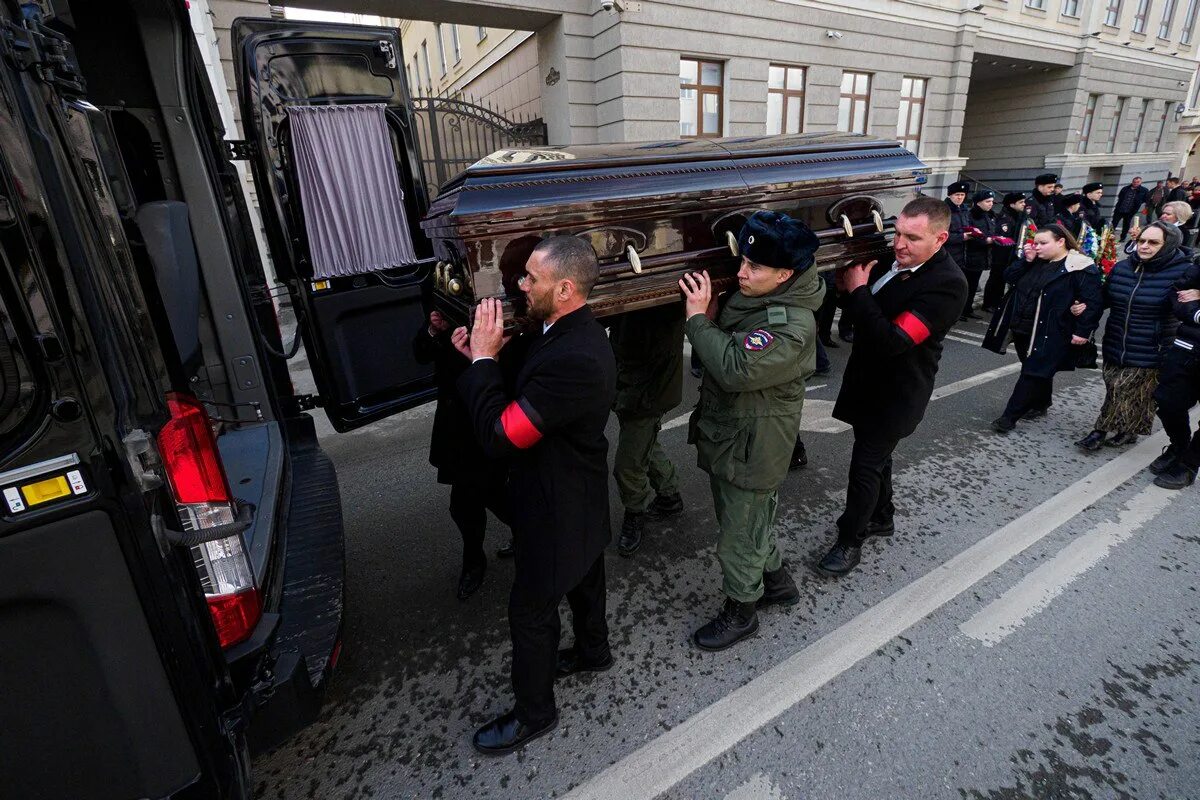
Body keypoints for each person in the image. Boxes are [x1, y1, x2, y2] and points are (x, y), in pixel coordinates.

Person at [455, 236, 617, 756]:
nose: (520, 285)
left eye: (531, 278)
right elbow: (529, 386)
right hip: (578, 489)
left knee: (531, 611)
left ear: (565, 288)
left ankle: (535, 711)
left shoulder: (576, 355)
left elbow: (504, 434)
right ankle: (594, 652)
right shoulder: (559, 328)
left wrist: (481, 364)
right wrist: (483, 358)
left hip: (555, 503)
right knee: (586, 572)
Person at [679, 210, 824, 650]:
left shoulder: (790, 325)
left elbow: (736, 368)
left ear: (784, 274)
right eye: (742, 261)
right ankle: (777, 583)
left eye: (753, 267)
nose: (741, 272)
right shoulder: (758, 296)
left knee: (739, 530)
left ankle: (741, 612)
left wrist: (698, 320)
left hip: (753, 445)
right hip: (737, 433)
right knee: (750, 519)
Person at [815, 197, 969, 577]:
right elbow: (860, 315)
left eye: (912, 237)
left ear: (940, 239)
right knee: (875, 457)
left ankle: (850, 540)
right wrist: (846, 289)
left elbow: (892, 341)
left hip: (897, 392)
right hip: (867, 381)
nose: (899, 243)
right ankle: (883, 515)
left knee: (865, 465)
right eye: (897, 231)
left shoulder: (948, 284)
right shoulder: (891, 258)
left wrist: (859, 291)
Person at [413, 310, 513, 599]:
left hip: (489, 419)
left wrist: (484, 357)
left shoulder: (498, 307)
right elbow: (420, 352)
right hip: (456, 423)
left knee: (495, 496)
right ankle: (475, 560)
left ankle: (526, 542)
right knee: (467, 504)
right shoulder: (446, 304)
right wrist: (433, 330)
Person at [1075, 222, 1193, 451]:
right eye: (1142, 241)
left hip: (1153, 346)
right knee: (1125, 390)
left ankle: (1098, 431)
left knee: (1123, 387)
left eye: (1153, 242)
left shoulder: (1183, 273)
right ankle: (1128, 430)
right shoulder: (1122, 268)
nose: (1145, 247)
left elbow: (1186, 310)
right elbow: (1104, 298)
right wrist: (1084, 305)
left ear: (1168, 245)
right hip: (1116, 341)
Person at [984, 224, 1103, 432]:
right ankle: (1041, 403)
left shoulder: (1080, 267)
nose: (1037, 247)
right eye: (1036, 243)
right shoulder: (1034, 262)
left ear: (1060, 242)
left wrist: (1083, 331)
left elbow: (1092, 303)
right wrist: (1025, 261)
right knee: (1036, 368)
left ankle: (1008, 418)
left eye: (1043, 243)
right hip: (1022, 326)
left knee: (1032, 371)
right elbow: (1009, 277)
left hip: (1053, 329)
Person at [608, 304, 685, 557]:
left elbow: (647, 349)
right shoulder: (633, 299)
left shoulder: (661, 304)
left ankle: (635, 512)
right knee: (644, 444)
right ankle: (669, 495)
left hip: (646, 391)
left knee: (628, 465)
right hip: (628, 383)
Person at [1150, 260, 1200, 489]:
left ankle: (1189, 464)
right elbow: (1178, 294)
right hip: (1189, 347)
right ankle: (1179, 445)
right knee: (1167, 400)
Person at [983, 192, 1024, 313]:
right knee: (996, 279)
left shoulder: (1017, 216)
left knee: (1002, 279)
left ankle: (996, 302)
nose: (1024, 204)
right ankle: (989, 303)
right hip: (1001, 255)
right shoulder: (1005, 218)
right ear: (1012, 204)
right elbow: (1003, 238)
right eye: (1021, 202)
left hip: (1009, 254)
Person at [962, 189, 997, 319]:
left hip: (983, 255)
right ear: (978, 203)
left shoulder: (989, 215)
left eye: (992, 201)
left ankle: (968, 309)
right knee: (967, 285)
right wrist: (985, 240)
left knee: (973, 285)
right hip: (971, 255)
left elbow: (991, 230)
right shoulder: (971, 216)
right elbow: (970, 234)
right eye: (987, 201)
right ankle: (961, 310)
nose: (991, 204)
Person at [944, 180, 972, 271]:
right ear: (950, 195)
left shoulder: (964, 210)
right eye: (957, 195)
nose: (960, 197)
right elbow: (941, 235)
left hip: (963, 256)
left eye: (962, 195)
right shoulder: (944, 210)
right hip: (948, 255)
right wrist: (962, 237)